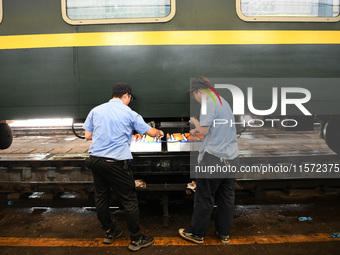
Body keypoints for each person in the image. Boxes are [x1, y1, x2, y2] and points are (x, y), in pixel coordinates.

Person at [83, 82, 164, 252]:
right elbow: (149, 132)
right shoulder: (129, 113)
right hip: (115, 163)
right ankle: (136, 239)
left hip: (96, 160)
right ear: (126, 96)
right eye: (130, 98)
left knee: (101, 197)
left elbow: (88, 136)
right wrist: (159, 133)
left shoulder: (96, 110)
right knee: (129, 200)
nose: (129, 101)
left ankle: (110, 232)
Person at [179, 76, 239, 244]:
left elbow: (204, 131)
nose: (194, 99)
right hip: (231, 157)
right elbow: (216, 127)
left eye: (193, 95)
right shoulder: (222, 101)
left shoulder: (207, 102)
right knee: (226, 197)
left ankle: (197, 234)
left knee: (204, 197)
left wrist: (194, 122)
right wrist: (196, 130)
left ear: (198, 91)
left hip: (214, 158)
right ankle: (224, 233)